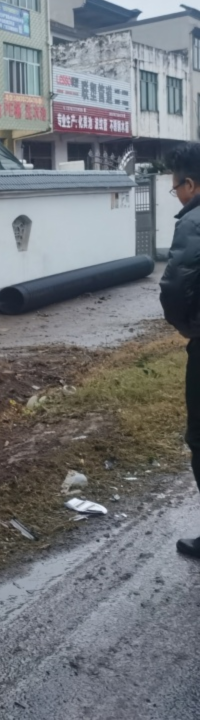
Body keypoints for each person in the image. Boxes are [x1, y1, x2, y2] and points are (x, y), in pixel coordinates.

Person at [159, 142, 200, 557]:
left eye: (176, 189)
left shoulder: (194, 221)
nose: (179, 197)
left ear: (189, 183)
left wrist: (188, 328)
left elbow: (175, 285)